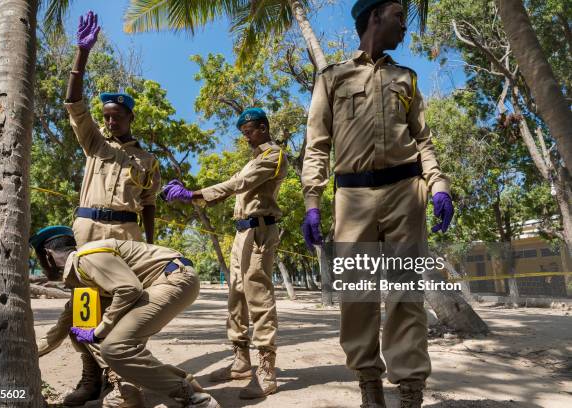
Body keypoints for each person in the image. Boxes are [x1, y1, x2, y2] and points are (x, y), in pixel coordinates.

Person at [300, 1, 454, 407]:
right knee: (356, 295)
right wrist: (312, 200)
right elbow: (316, 145)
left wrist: (438, 186)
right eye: (399, 17)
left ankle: (410, 392)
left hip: (406, 192)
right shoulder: (332, 77)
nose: (405, 25)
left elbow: (423, 140)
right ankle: (369, 386)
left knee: (407, 293)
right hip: (352, 198)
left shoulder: (407, 78)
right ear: (374, 18)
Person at [36, 11, 161, 406]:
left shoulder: (147, 160)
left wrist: (152, 247)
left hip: (126, 237)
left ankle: (124, 383)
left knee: (125, 310)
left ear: (130, 118)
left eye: (117, 116)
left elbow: (149, 206)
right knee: (84, 310)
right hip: (88, 235)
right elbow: (73, 101)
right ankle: (92, 379)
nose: (110, 122)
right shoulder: (95, 145)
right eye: (106, 116)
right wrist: (81, 54)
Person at [161, 108, 288, 399]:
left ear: (264, 128)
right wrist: (192, 192)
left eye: (250, 132)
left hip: (260, 232)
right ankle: (241, 360)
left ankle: (266, 371)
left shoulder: (273, 156)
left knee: (259, 297)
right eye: (243, 134)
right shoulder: (252, 160)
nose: (246, 138)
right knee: (237, 296)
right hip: (242, 232)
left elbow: (237, 185)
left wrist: (193, 194)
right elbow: (233, 183)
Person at [29, 226, 220, 408]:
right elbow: (62, 326)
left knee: (115, 347)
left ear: (48, 255)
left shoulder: (86, 258)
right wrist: (28, 353)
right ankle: (129, 391)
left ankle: (196, 398)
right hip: (165, 281)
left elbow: (129, 289)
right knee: (81, 329)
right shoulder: (80, 272)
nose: (42, 267)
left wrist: (99, 331)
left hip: (173, 278)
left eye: (40, 260)